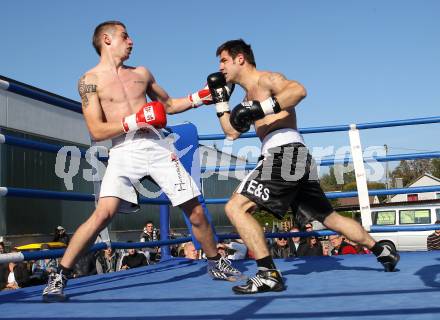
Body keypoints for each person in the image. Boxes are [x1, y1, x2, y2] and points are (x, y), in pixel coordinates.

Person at [42, 21, 240, 302]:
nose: (131, 41)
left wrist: (200, 97)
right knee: (103, 214)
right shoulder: (89, 81)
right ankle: (59, 276)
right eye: (125, 36)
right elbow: (96, 131)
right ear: (107, 40)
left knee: (195, 210)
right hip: (123, 150)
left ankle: (215, 262)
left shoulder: (142, 73)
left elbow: (169, 105)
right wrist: (134, 119)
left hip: (156, 145)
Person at [209, 39, 400, 294]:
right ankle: (382, 250)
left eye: (223, 60)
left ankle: (267, 274)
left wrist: (261, 107)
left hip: (284, 153)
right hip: (293, 157)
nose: (221, 67)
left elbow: (298, 90)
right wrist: (220, 102)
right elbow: (231, 133)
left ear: (239, 58)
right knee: (329, 218)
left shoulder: (266, 80)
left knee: (235, 207)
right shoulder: (244, 98)